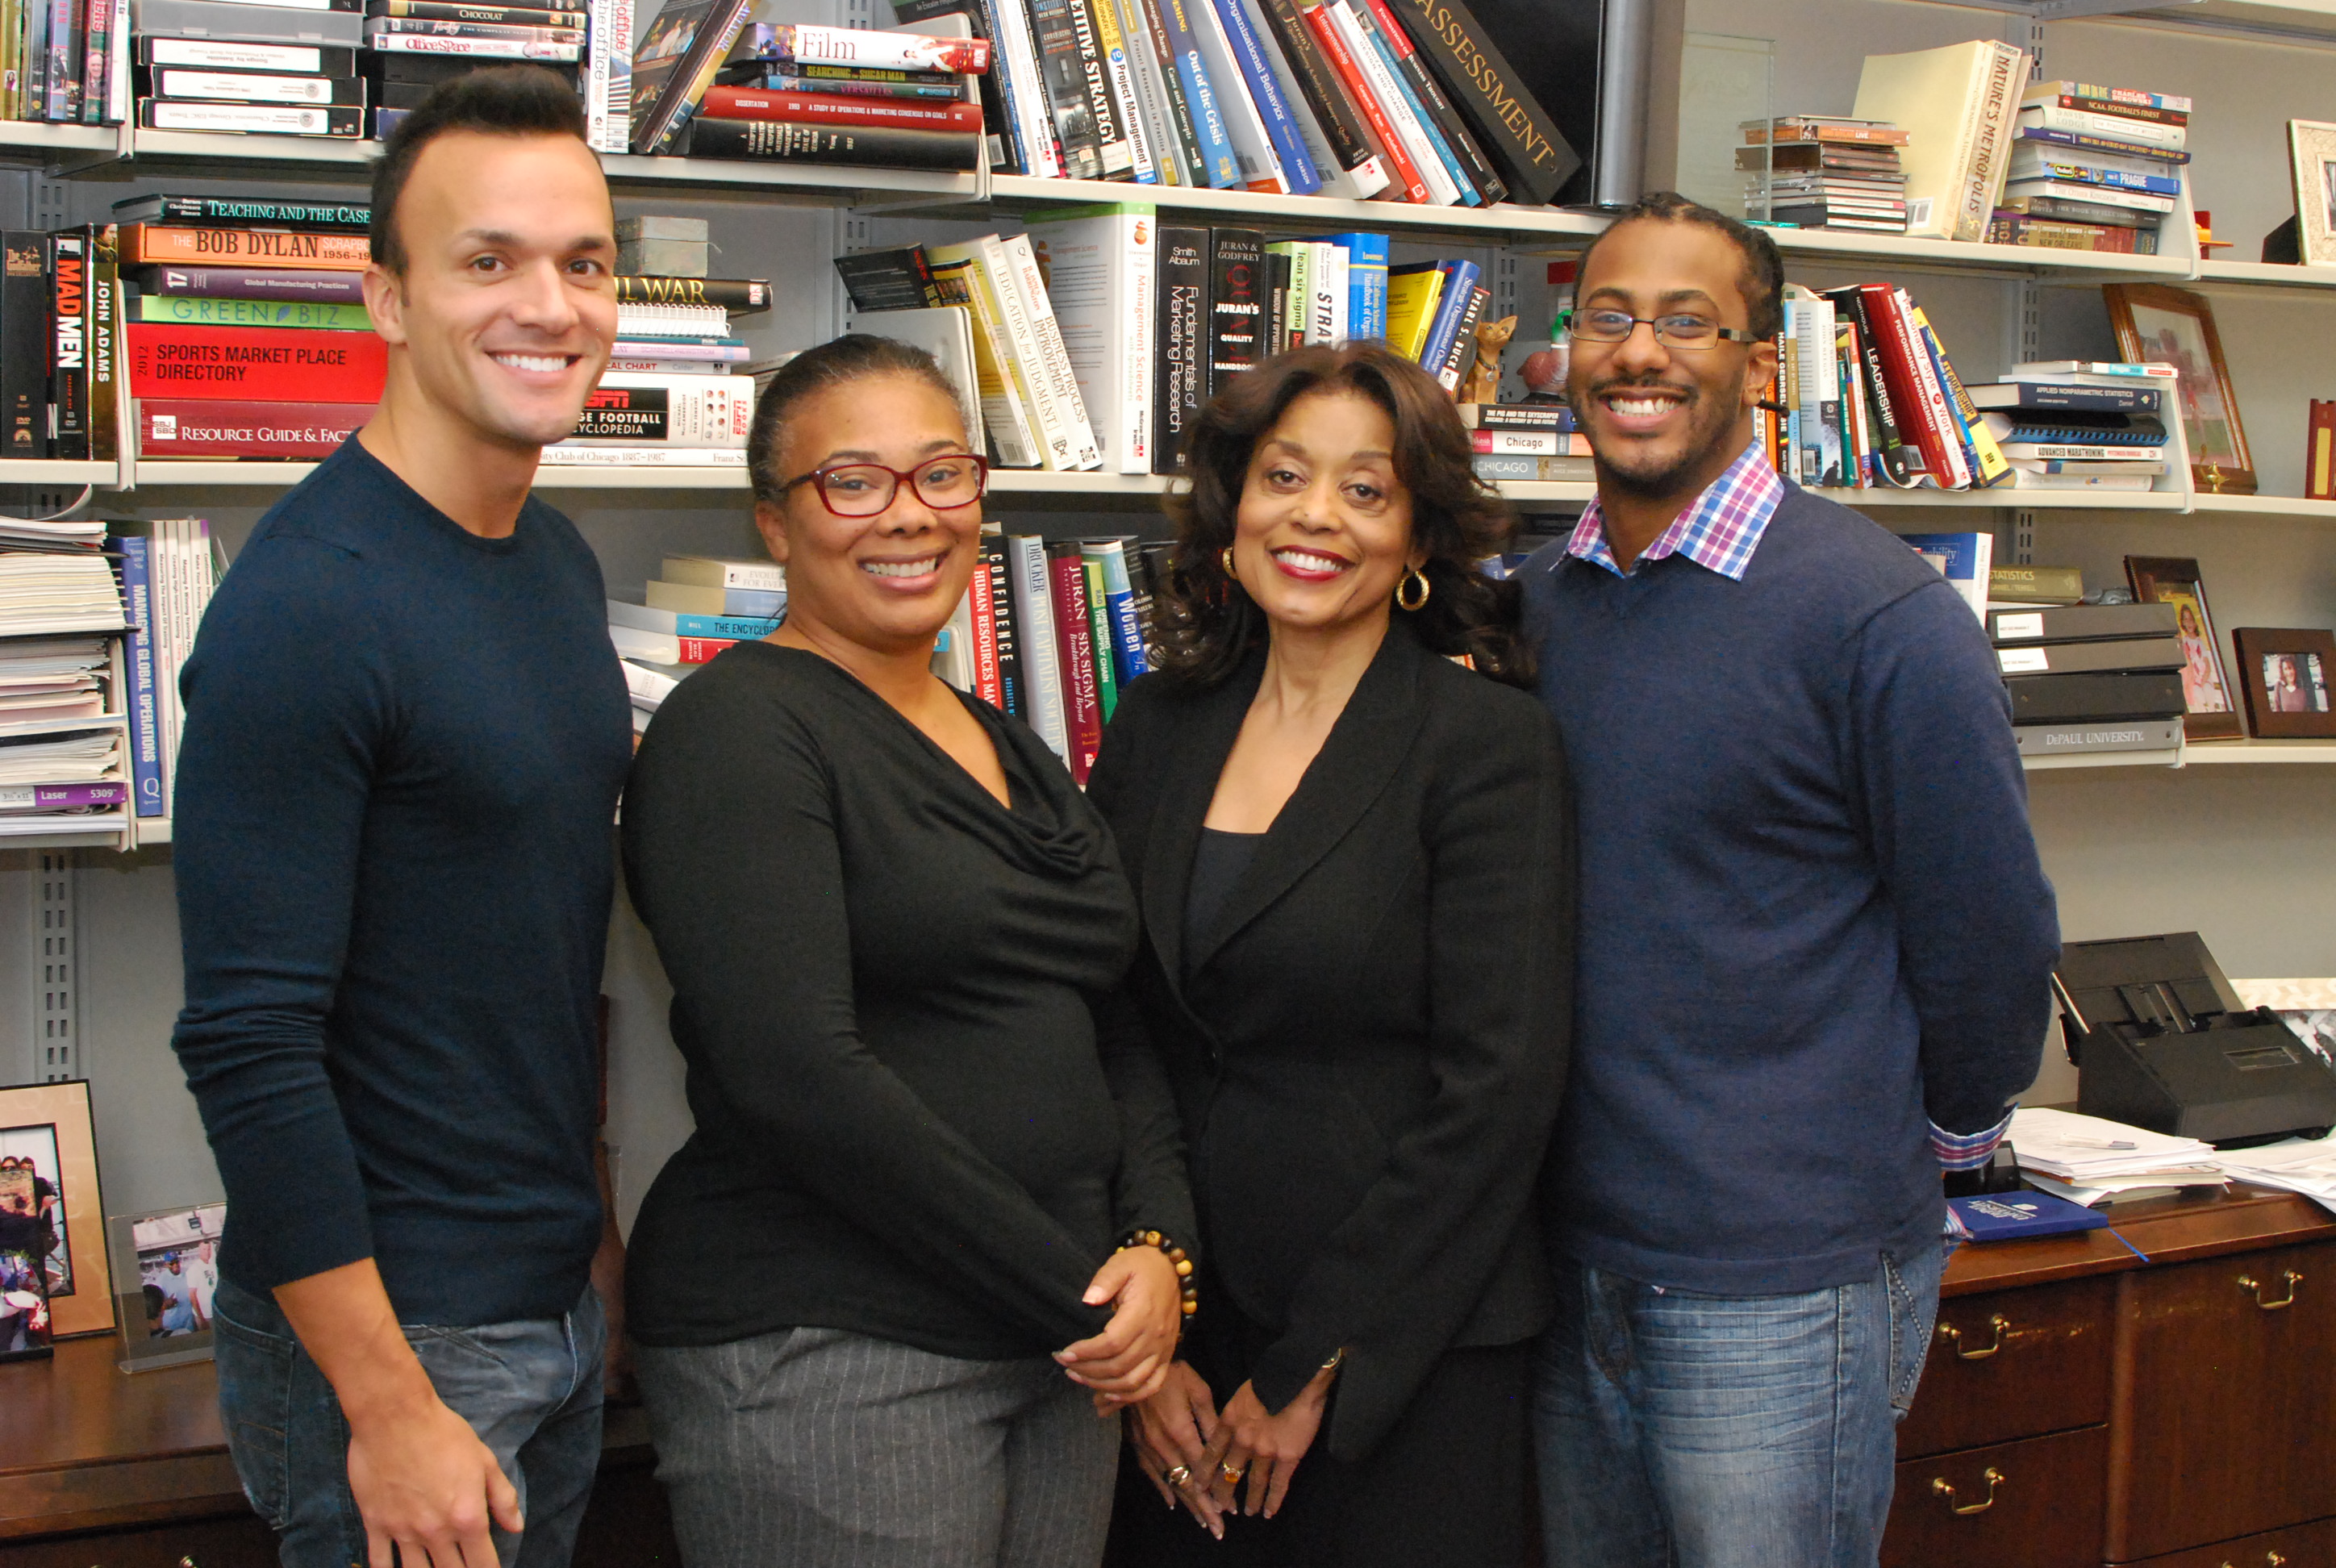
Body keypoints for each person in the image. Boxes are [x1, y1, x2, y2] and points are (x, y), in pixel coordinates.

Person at [1521, 193, 2061, 1568]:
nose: (1641, 352)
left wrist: (1929, 1149)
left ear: (1760, 365)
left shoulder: (1880, 616)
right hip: (1562, 1260)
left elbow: (1988, 935)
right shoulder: (1527, 606)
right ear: (1564, 351)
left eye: (1689, 322)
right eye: (1609, 316)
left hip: (1787, 1279)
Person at [619, 333, 1194, 1568]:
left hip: (1056, 1346)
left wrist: (1160, 1252)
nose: (910, 517)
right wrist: (1085, 1298)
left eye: (942, 474)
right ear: (777, 524)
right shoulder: (738, 733)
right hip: (836, 1346)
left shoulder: (1005, 740)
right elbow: (796, 1077)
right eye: (854, 482)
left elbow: (1108, 1016)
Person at [169, 66, 635, 1568]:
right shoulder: (308, 607)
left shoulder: (555, 560)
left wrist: (590, 1256)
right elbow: (248, 1046)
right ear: (383, 300)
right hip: (403, 1350)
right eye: (487, 262)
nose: (548, 306)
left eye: (584, 263)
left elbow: (535, 959)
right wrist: (389, 1406)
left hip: (548, 1306)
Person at [1094, 344, 1573, 1567]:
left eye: (1366, 491)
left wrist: (1323, 1360)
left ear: (1418, 542)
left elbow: (1497, 1088)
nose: (1315, 517)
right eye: (1283, 477)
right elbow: (1113, 1022)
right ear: (1232, 510)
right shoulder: (1157, 726)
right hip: (1181, 1330)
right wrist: (1152, 1339)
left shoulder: (1485, 746)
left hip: (1403, 1354)